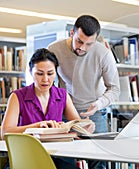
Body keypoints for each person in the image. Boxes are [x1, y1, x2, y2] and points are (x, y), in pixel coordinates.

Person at [1, 48, 94, 169]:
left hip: (59, 155)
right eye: (39, 74)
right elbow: (5, 132)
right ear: (30, 72)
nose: (45, 79)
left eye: (50, 73)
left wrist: (85, 128)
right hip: (26, 155)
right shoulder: (17, 96)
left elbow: (76, 126)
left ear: (56, 72)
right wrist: (38, 126)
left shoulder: (62, 95)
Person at [48, 14, 120, 169]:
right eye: (79, 41)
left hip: (94, 113)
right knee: (63, 159)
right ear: (72, 33)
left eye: (89, 44)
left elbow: (114, 89)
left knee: (98, 160)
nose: (82, 48)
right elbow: (47, 83)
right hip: (64, 113)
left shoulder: (104, 54)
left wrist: (99, 104)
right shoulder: (54, 49)